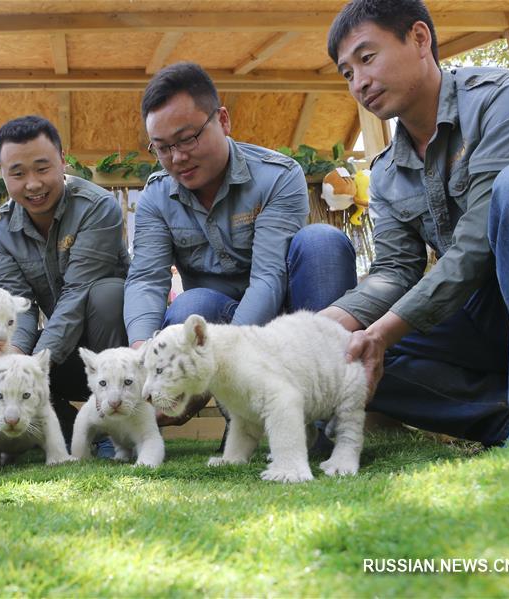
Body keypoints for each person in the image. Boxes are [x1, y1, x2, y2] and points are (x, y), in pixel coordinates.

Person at [322, 0, 509, 445]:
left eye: (367, 58)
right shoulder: (385, 171)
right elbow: (393, 271)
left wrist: (384, 332)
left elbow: (475, 243)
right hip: (479, 315)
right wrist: (327, 324)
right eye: (347, 73)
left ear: (420, 39)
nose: (360, 83)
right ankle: (504, 418)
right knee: (345, 357)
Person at [124, 62, 358, 424]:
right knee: (191, 305)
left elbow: (268, 279)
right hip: (215, 325)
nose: (177, 157)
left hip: (283, 322)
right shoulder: (156, 197)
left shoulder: (277, 176)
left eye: (187, 139)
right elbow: (145, 279)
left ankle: (325, 416)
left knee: (322, 243)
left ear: (223, 120)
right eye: (163, 147)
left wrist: (227, 358)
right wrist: (141, 354)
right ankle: (241, 414)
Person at [0, 115, 129, 442]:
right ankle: (73, 429)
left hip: (110, 349)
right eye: (18, 173)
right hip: (63, 354)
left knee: (107, 294)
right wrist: (16, 358)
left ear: (63, 161)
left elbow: (78, 292)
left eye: (42, 168)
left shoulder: (98, 208)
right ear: (2, 173)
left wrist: (33, 368)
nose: (32, 184)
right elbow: (17, 306)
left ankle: (117, 428)